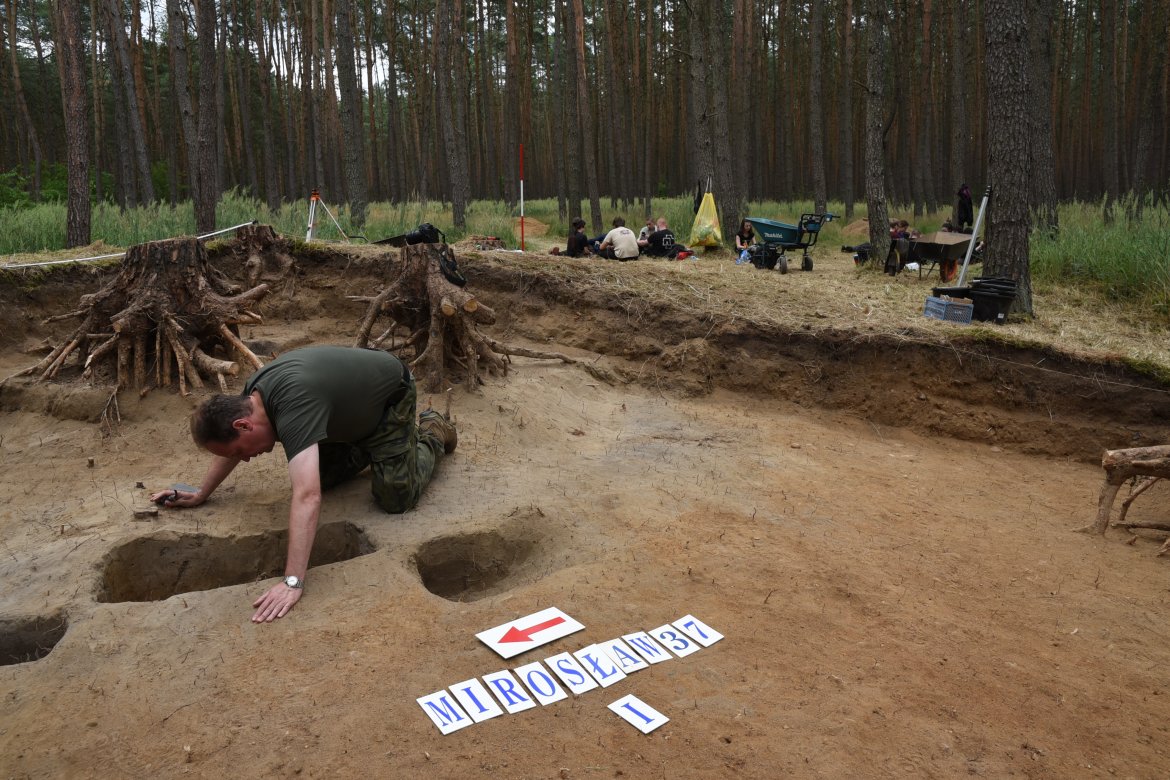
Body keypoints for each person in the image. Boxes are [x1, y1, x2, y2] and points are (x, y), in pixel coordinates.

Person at [150, 345, 457, 623]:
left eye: (240, 452)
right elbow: (232, 447)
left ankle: (431, 431)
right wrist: (202, 493)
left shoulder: (294, 404)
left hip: (390, 398)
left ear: (243, 424)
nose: (243, 460)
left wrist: (292, 582)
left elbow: (308, 497)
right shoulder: (250, 401)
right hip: (345, 416)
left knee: (395, 496)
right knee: (323, 476)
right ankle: (370, 447)